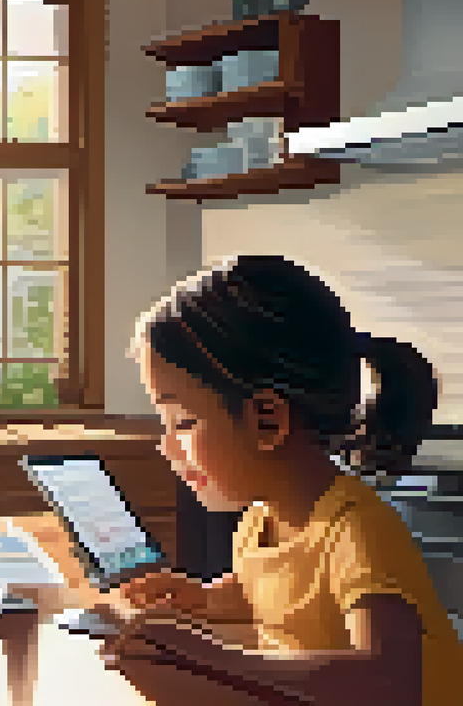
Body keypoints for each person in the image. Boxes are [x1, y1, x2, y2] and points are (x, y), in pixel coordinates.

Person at [102, 254, 462, 706]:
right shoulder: (260, 523)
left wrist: (205, 658)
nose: (166, 446)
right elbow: (277, 596)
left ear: (268, 421)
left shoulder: (358, 532)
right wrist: (203, 600)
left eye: (183, 421)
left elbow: (389, 681)